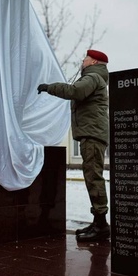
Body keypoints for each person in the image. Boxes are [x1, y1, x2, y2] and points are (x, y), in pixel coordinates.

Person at [37, 49, 110, 242]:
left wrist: (48, 87)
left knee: (93, 177)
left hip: (92, 135)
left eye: (85, 58)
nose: (83, 61)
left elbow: (75, 92)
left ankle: (101, 225)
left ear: (93, 62)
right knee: (92, 176)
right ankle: (98, 222)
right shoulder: (95, 78)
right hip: (91, 133)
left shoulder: (93, 77)